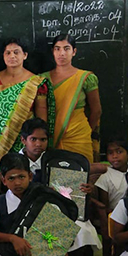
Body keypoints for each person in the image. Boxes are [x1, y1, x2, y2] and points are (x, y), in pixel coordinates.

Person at [0, 38, 52, 162]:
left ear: (25, 55)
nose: (12, 56)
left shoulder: (35, 82)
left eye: (16, 52)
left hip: (25, 143)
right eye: (8, 53)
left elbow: (41, 120)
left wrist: (38, 144)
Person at [40, 34, 102, 162]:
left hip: (79, 136)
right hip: (51, 137)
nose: (62, 53)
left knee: (82, 171)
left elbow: (96, 110)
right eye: (57, 49)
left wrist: (86, 131)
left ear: (74, 52)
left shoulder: (85, 78)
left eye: (66, 48)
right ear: (52, 51)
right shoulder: (42, 79)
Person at [93, 136, 128, 256]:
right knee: (117, 244)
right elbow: (105, 204)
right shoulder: (106, 176)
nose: (114, 156)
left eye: (119, 152)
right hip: (114, 217)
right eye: (110, 153)